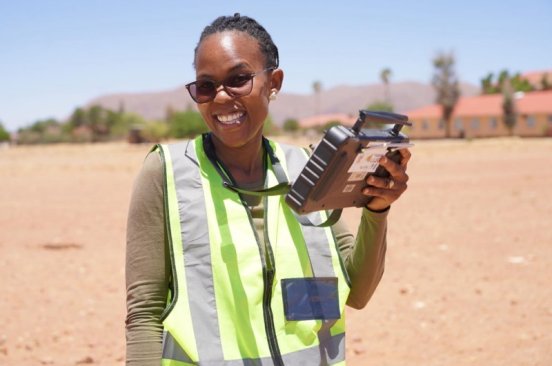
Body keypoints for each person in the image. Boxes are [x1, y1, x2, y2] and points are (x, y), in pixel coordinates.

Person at [125, 13, 411, 366]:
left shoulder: (308, 169)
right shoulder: (167, 173)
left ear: (273, 82)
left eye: (239, 79)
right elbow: (145, 312)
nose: (220, 97)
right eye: (205, 86)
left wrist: (377, 209)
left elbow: (358, 292)